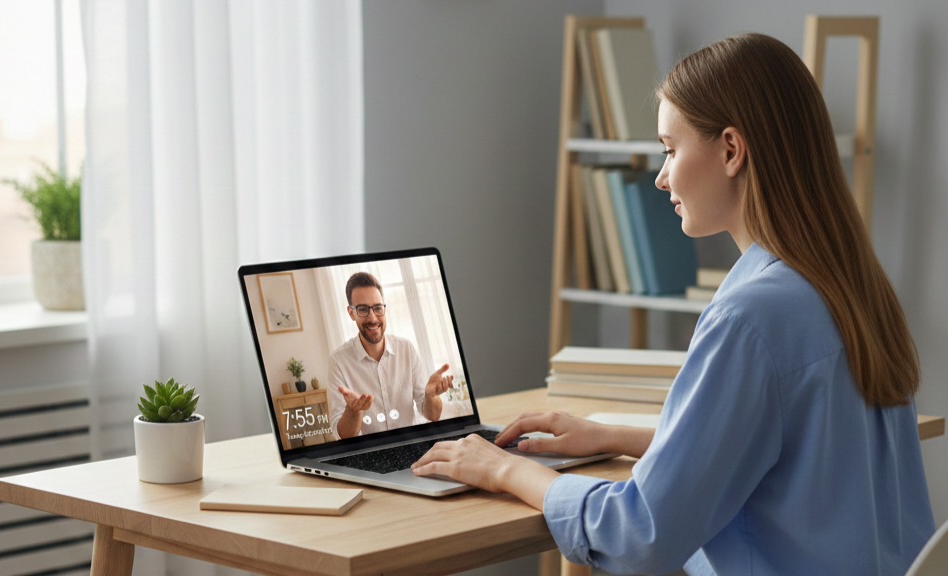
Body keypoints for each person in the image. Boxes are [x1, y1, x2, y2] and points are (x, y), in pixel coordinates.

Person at [411, 33, 936, 575]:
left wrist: (503, 470)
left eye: (670, 149)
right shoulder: (856, 287)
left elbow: (640, 535)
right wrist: (613, 436)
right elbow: (783, 453)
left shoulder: (751, 318)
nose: (661, 178)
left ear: (731, 150)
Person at [327, 271, 454, 440]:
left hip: (412, 447)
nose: (373, 318)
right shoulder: (338, 361)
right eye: (363, 310)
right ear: (351, 313)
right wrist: (353, 411)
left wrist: (431, 396)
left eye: (378, 308)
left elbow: (433, 415)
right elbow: (343, 435)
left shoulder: (406, 349)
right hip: (369, 455)